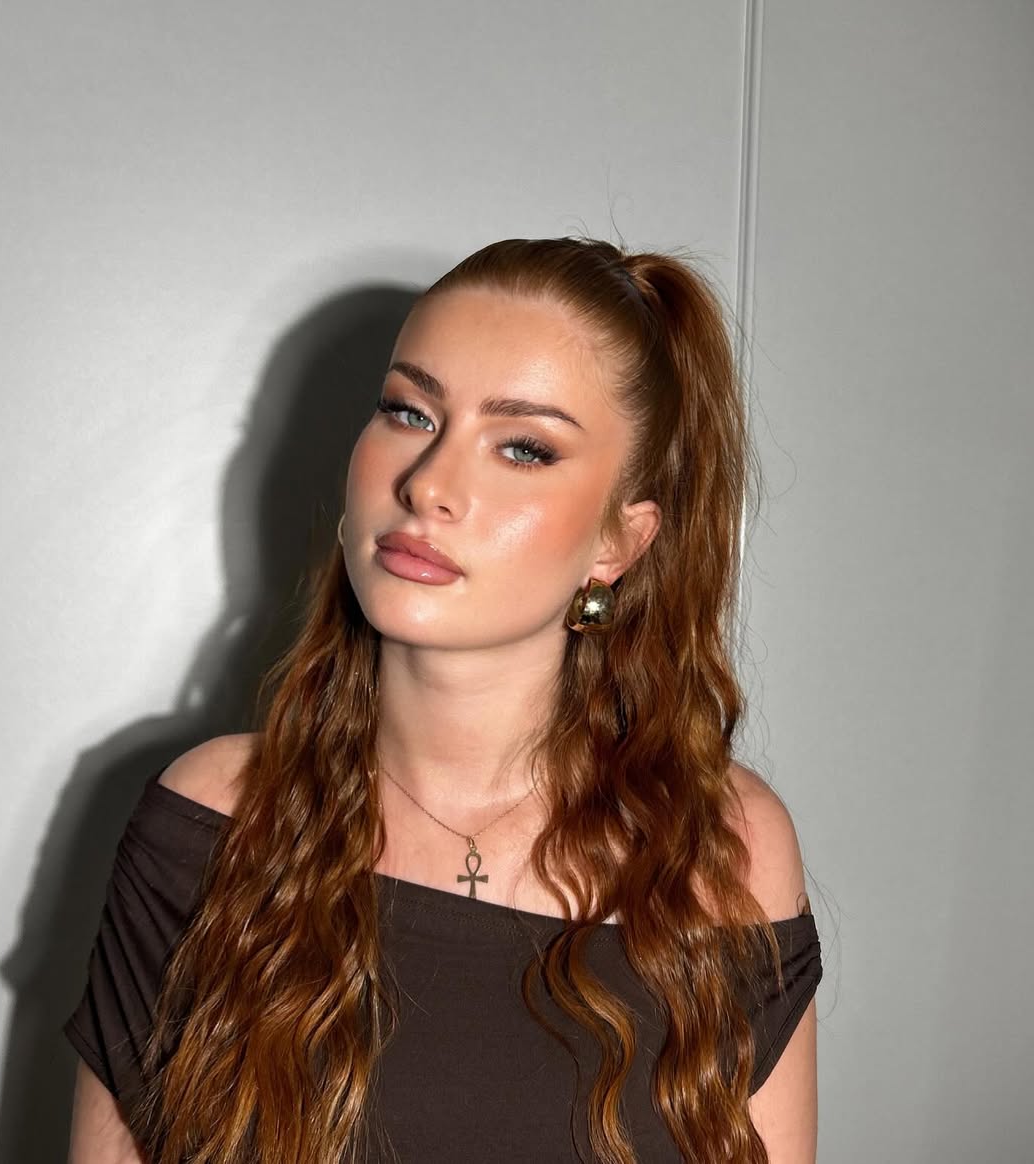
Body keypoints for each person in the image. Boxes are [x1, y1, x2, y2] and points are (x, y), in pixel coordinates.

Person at [64, 236, 822, 1164]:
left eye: (523, 448)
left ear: (619, 543)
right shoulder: (211, 823)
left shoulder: (725, 848)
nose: (427, 484)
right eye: (409, 412)